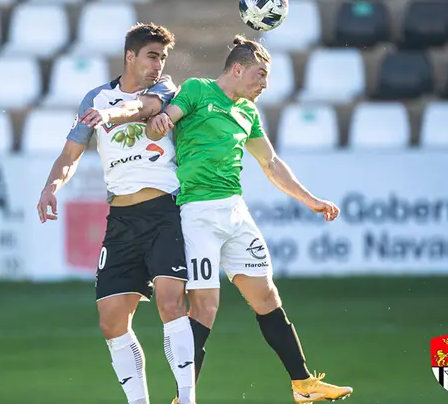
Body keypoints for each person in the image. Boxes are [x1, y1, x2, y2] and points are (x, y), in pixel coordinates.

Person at [148, 35, 353, 404]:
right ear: (237, 69)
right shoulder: (198, 90)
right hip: (196, 214)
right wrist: (163, 118)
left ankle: (303, 385)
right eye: (260, 74)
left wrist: (310, 200)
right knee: (206, 308)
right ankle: (183, 398)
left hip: (235, 212)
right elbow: (169, 117)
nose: (265, 84)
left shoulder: (248, 113)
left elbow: (271, 163)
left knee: (267, 296)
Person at [36, 23, 196, 404]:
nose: (159, 64)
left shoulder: (165, 91)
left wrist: (109, 117)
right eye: (152, 56)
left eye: (162, 57)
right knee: (111, 320)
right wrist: (50, 187)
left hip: (164, 212)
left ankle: (187, 398)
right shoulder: (95, 97)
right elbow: (70, 154)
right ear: (130, 56)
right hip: (122, 220)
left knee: (171, 303)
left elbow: (139, 107)